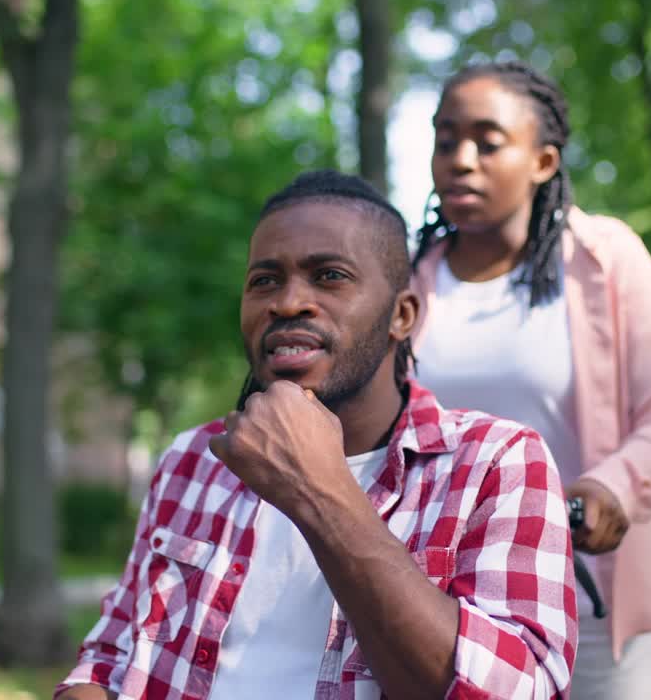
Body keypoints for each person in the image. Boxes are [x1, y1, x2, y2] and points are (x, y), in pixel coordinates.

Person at [56, 170, 578, 700]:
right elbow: (109, 660)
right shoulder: (193, 458)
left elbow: (518, 690)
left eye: (329, 276)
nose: (286, 303)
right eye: (264, 281)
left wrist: (317, 488)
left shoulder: (496, 462)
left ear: (402, 315)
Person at [410, 61, 651, 699]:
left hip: (590, 606)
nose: (460, 159)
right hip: (439, 608)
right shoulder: (405, 282)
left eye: (487, 142)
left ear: (542, 161)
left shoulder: (606, 259)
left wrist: (616, 485)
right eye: (445, 138)